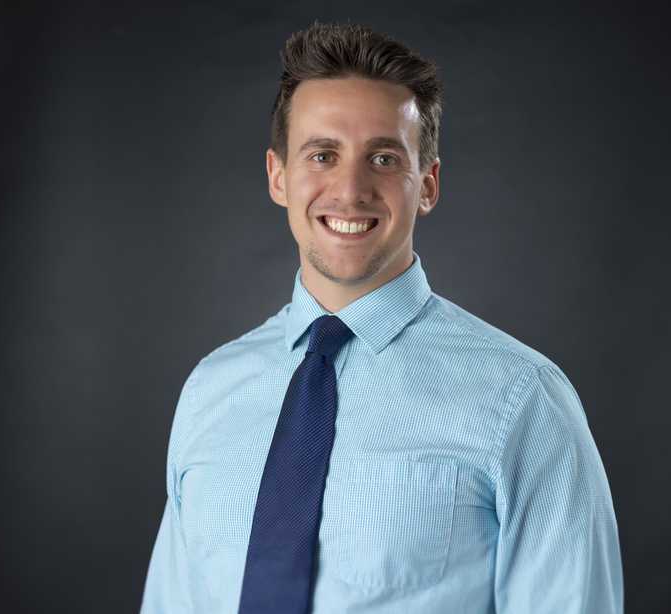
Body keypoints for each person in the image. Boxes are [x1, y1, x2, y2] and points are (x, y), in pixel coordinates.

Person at [140, 20, 624, 614]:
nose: (350, 190)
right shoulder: (210, 390)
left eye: (384, 158)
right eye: (322, 155)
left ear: (428, 184)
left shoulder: (524, 401)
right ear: (278, 176)